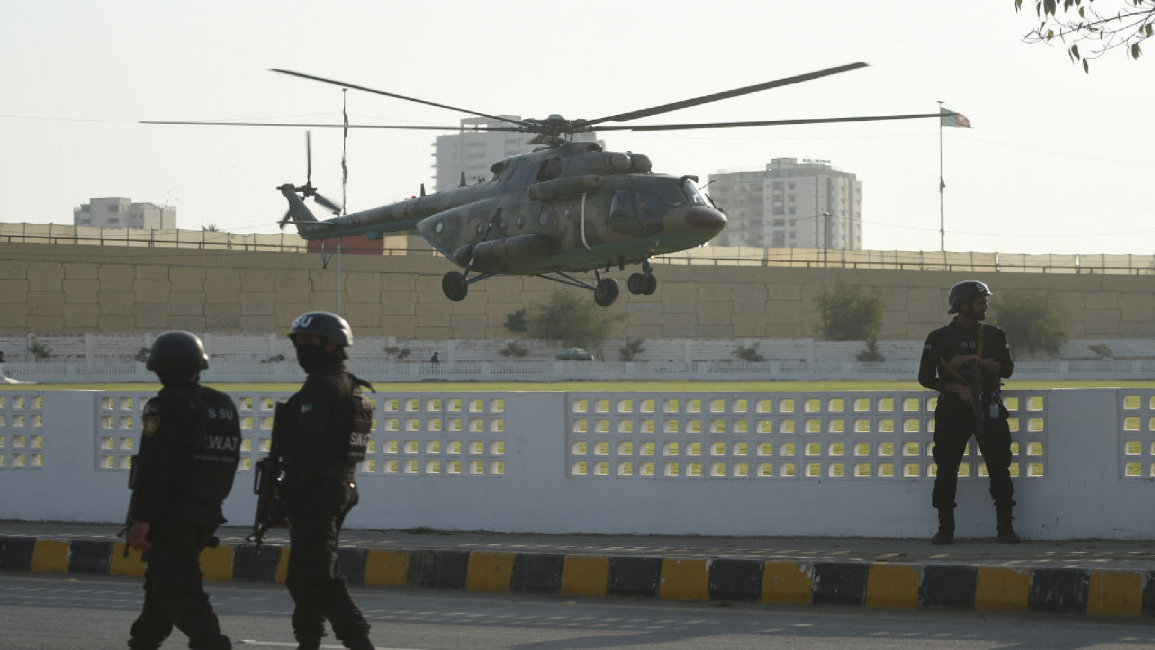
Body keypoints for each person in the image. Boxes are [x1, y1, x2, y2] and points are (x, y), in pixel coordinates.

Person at [127, 331, 240, 650]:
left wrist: (142, 518)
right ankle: (143, 642)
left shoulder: (163, 406)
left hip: (169, 515)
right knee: (160, 588)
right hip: (207, 512)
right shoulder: (222, 405)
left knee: (180, 591)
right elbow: (228, 459)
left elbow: (154, 467)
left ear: (159, 367)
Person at [280, 311, 376, 650]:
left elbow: (306, 447)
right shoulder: (352, 387)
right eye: (299, 342)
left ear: (333, 344)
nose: (302, 348)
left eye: (310, 342)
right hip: (340, 486)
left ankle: (358, 640)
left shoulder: (322, 386)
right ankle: (308, 641)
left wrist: (286, 494)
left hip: (316, 491)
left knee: (320, 575)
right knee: (301, 576)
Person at [918, 280, 1020, 545]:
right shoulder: (938, 338)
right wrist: (957, 389)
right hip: (953, 410)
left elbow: (1006, 369)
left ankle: (1005, 527)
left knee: (999, 466)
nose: (985, 306)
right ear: (963, 306)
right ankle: (945, 528)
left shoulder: (995, 335)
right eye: (980, 302)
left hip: (989, 406)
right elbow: (925, 377)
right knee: (947, 468)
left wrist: (975, 360)